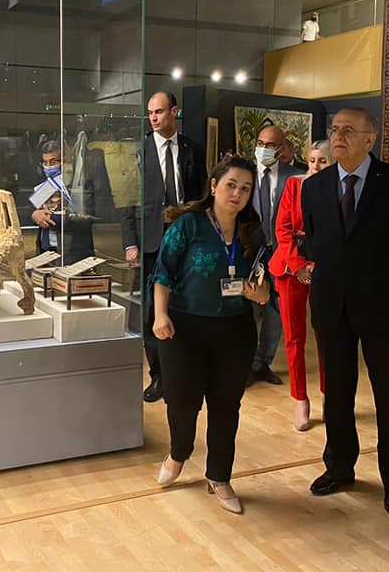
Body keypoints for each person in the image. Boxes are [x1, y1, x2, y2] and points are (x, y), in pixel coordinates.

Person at [301, 107, 389, 517]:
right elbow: (316, 243)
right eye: (334, 129)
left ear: (370, 139)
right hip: (331, 306)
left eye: (348, 130)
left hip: (383, 307)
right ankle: (339, 468)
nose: (338, 136)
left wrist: (380, 286)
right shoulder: (314, 187)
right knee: (337, 393)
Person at [152, 155, 269, 514]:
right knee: (182, 400)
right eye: (231, 185)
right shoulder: (188, 225)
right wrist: (160, 315)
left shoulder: (253, 232)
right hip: (184, 328)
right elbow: (163, 273)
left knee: (226, 406)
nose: (237, 194)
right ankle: (179, 452)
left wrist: (260, 294)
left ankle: (219, 476)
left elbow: (265, 288)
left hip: (234, 329)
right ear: (214, 185)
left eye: (245, 188)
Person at [122, 92, 206, 403]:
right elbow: (127, 200)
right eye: (150, 113)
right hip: (150, 241)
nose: (154, 118)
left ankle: (184, 370)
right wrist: (130, 242)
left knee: (185, 304)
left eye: (159, 112)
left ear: (174, 112)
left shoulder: (192, 150)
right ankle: (158, 375)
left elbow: (201, 197)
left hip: (186, 239)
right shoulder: (139, 151)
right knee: (150, 311)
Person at [269, 141, 332, 432]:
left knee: (326, 336)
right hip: (289, 269)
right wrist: (297, 265)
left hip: (323, 270)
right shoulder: (293, 186)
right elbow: (282, 228)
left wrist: (316, 267)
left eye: (323, 161)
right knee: (294, 338)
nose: (316, 166)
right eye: (312, 160)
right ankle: (300, 400)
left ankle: (329, 395)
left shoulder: (336, 190)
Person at [246, 124, 297, 386]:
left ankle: (263, 363)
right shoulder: (245, 174)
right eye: (260, 144)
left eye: (270, 145)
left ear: (281, 148)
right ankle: (246, 363)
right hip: (250, 252)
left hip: (281, 253)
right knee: (249, 310)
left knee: (276, 311)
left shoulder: (294, 177)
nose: (263, 149)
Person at [31, 140, 94, 264]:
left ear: (65, 161)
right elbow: (32, 210)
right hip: (46, 250)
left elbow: (87, 219)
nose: (48, 166)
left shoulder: (80, 185)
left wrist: (51, 218)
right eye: (45, 162)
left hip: (73, 252)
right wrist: (35, 215)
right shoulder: (46, 185)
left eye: (53, 162)